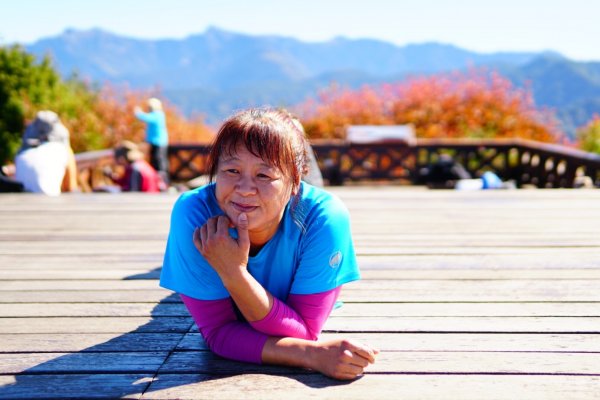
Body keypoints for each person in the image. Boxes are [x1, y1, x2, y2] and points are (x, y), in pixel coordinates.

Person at [160, 108, 378, 380]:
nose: (244, 188)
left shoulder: (323, 218)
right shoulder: (194, 214)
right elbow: (217, 333)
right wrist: (311, 355)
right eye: (231, 170)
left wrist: (233, 273)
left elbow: (304, 333)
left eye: (264, 175)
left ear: (296, 180)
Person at [0, 110, 78, 196]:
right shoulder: (64, 150)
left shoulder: (21, 154)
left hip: (21, 202)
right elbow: (70, 188)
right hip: (49, 204)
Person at [134, 97, 170, 185]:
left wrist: (138, 112)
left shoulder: (158, 114)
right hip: (155, 142)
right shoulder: (158, 114)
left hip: (159, 142)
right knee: (155, 161)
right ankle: (157, 181)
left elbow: (147, 118)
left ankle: (162, 182)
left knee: (159, 162)